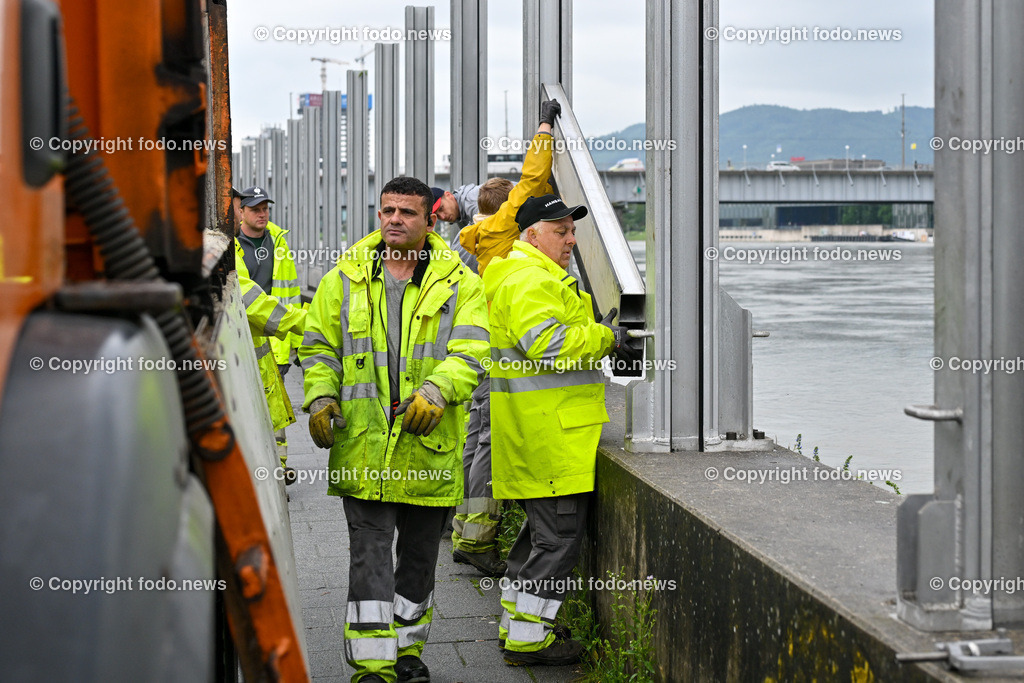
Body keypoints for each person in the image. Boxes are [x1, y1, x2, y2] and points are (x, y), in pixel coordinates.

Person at [299, 176, 490, 683]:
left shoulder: (460, 284)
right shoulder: (345, 277)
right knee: (368, 555)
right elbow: (318, 346)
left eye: (406, 212)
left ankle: (408, 653)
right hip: (363, 448)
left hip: (427, 449)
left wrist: (438, 389)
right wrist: (320, 395)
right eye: (387, 210)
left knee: (420, 561)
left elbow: (472, 352)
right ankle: (372, 664)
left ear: (431, 219)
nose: (394, 220)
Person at [483, 193, 642, 666]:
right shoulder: (532, 281)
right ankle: (530, 641)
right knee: (557, 541)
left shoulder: (522, 275)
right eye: (561, 231)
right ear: (532, 235)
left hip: (537, 431)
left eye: (572, 231)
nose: (571, 239)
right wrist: (605, 337)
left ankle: (517, 624)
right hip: (551, 435)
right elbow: (550, 347)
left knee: (537, 537)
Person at [447, 100, 561, 578]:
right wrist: (544, 129)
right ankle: (477, 539)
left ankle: (465, 529)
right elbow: (532, 179)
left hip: (474, 352)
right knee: (491, 440)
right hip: (499, 356)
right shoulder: (500, 232)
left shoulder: (465, 244)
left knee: (474, 439)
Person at [232, 187, 306, 485]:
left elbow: (291, 294)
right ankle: (256, 467)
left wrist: (299, 346)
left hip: (279, 341)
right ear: (241, 212)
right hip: (249, 340)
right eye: (255, 209)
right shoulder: (232, 246)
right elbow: (249, 298)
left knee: (276, 405)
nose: (262, 214)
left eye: (265, 208)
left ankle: (280, 465)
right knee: (252, 406)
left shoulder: (278, 241)